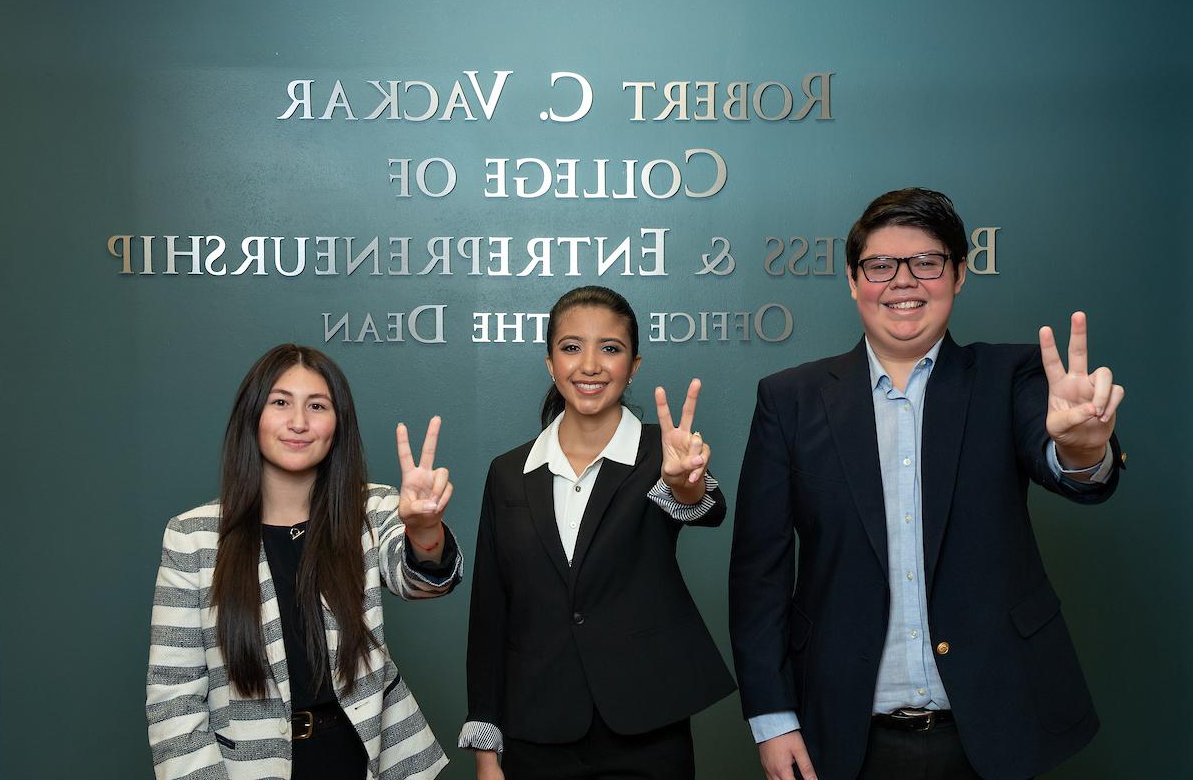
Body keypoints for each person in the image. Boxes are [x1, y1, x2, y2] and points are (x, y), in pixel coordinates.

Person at [729, 188, 1126, 780]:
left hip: (992, 725)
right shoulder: (789, 400)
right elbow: (758, 575)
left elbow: (1061, 461)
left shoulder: (1008, 375)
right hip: (841, 730)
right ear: (852, 279)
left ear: (959, 274)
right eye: (880, 265)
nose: (902, 281)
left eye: (927, 263)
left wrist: (1081, 448)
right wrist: (772, 717)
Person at [146, 344, 462, 780]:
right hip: (250, 768)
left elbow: (423, 582)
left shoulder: (372, 509)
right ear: (252, 416)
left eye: (317, 406)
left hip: (370, 761)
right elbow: (174, 701)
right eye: (280, 403)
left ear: (338, 425)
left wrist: (424, 530)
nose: (299, 422)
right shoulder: (193, 537)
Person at [460, 285, 736, 780]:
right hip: (536, 727)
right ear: (549, 362)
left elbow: (706, 505)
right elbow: (490, 611)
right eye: (571, 347)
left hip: (645, 727)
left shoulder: (664, 454)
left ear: (633, 365)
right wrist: (486, 749)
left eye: (610, 348)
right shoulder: (509, 472)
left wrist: (685, 486)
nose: (590, 365)